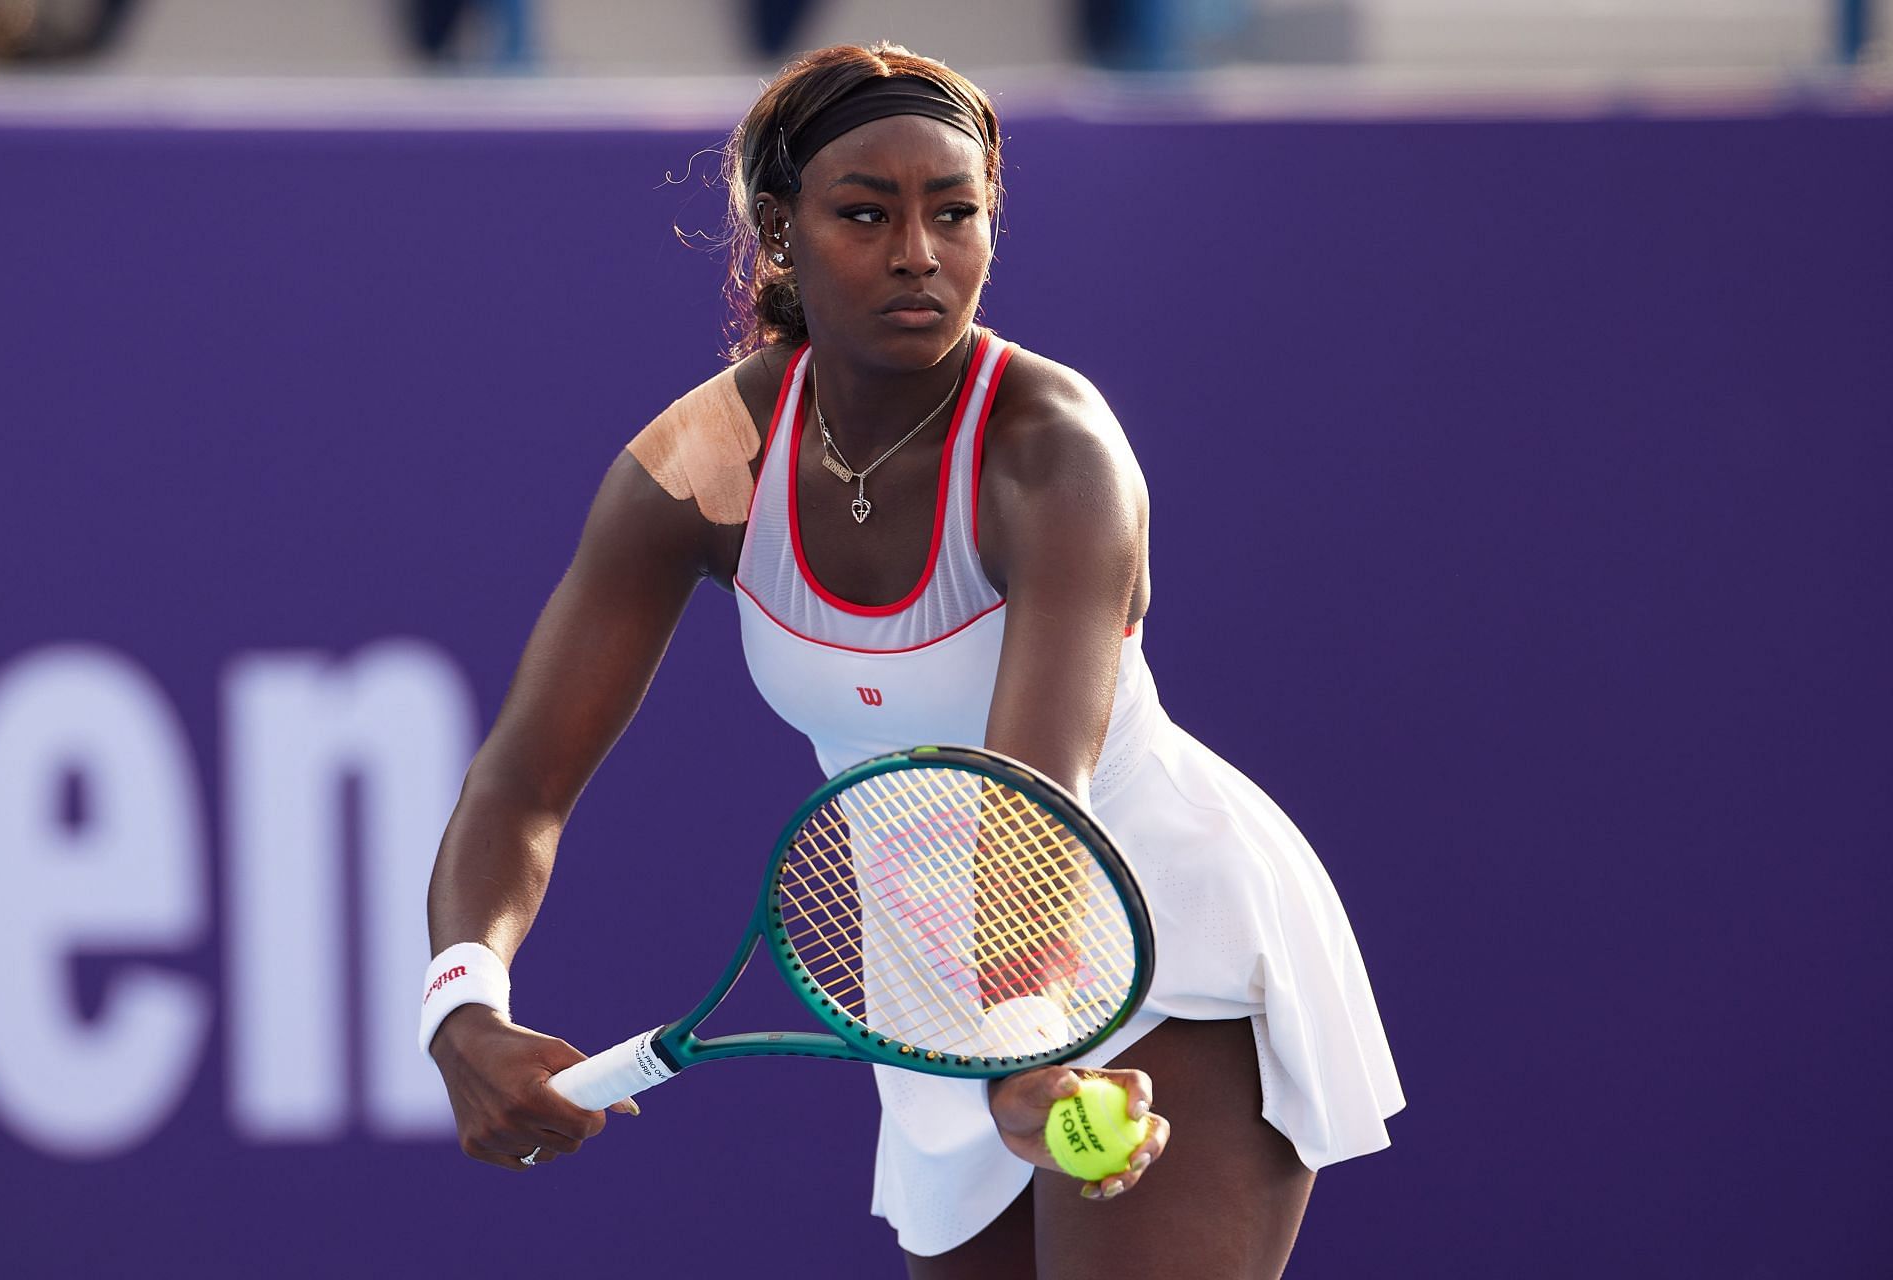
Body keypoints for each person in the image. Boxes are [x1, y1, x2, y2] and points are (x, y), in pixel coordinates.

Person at [422, 42, 1403, 1279]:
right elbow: (520, 785)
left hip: (1152, 926)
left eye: (956, 213)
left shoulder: (1055, 451)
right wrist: (461, 1004)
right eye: (865, 214)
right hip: (932, 977)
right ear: (779, 232)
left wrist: (1031, 1043)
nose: (918, 253)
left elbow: (1037, 790)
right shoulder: (702, 464)